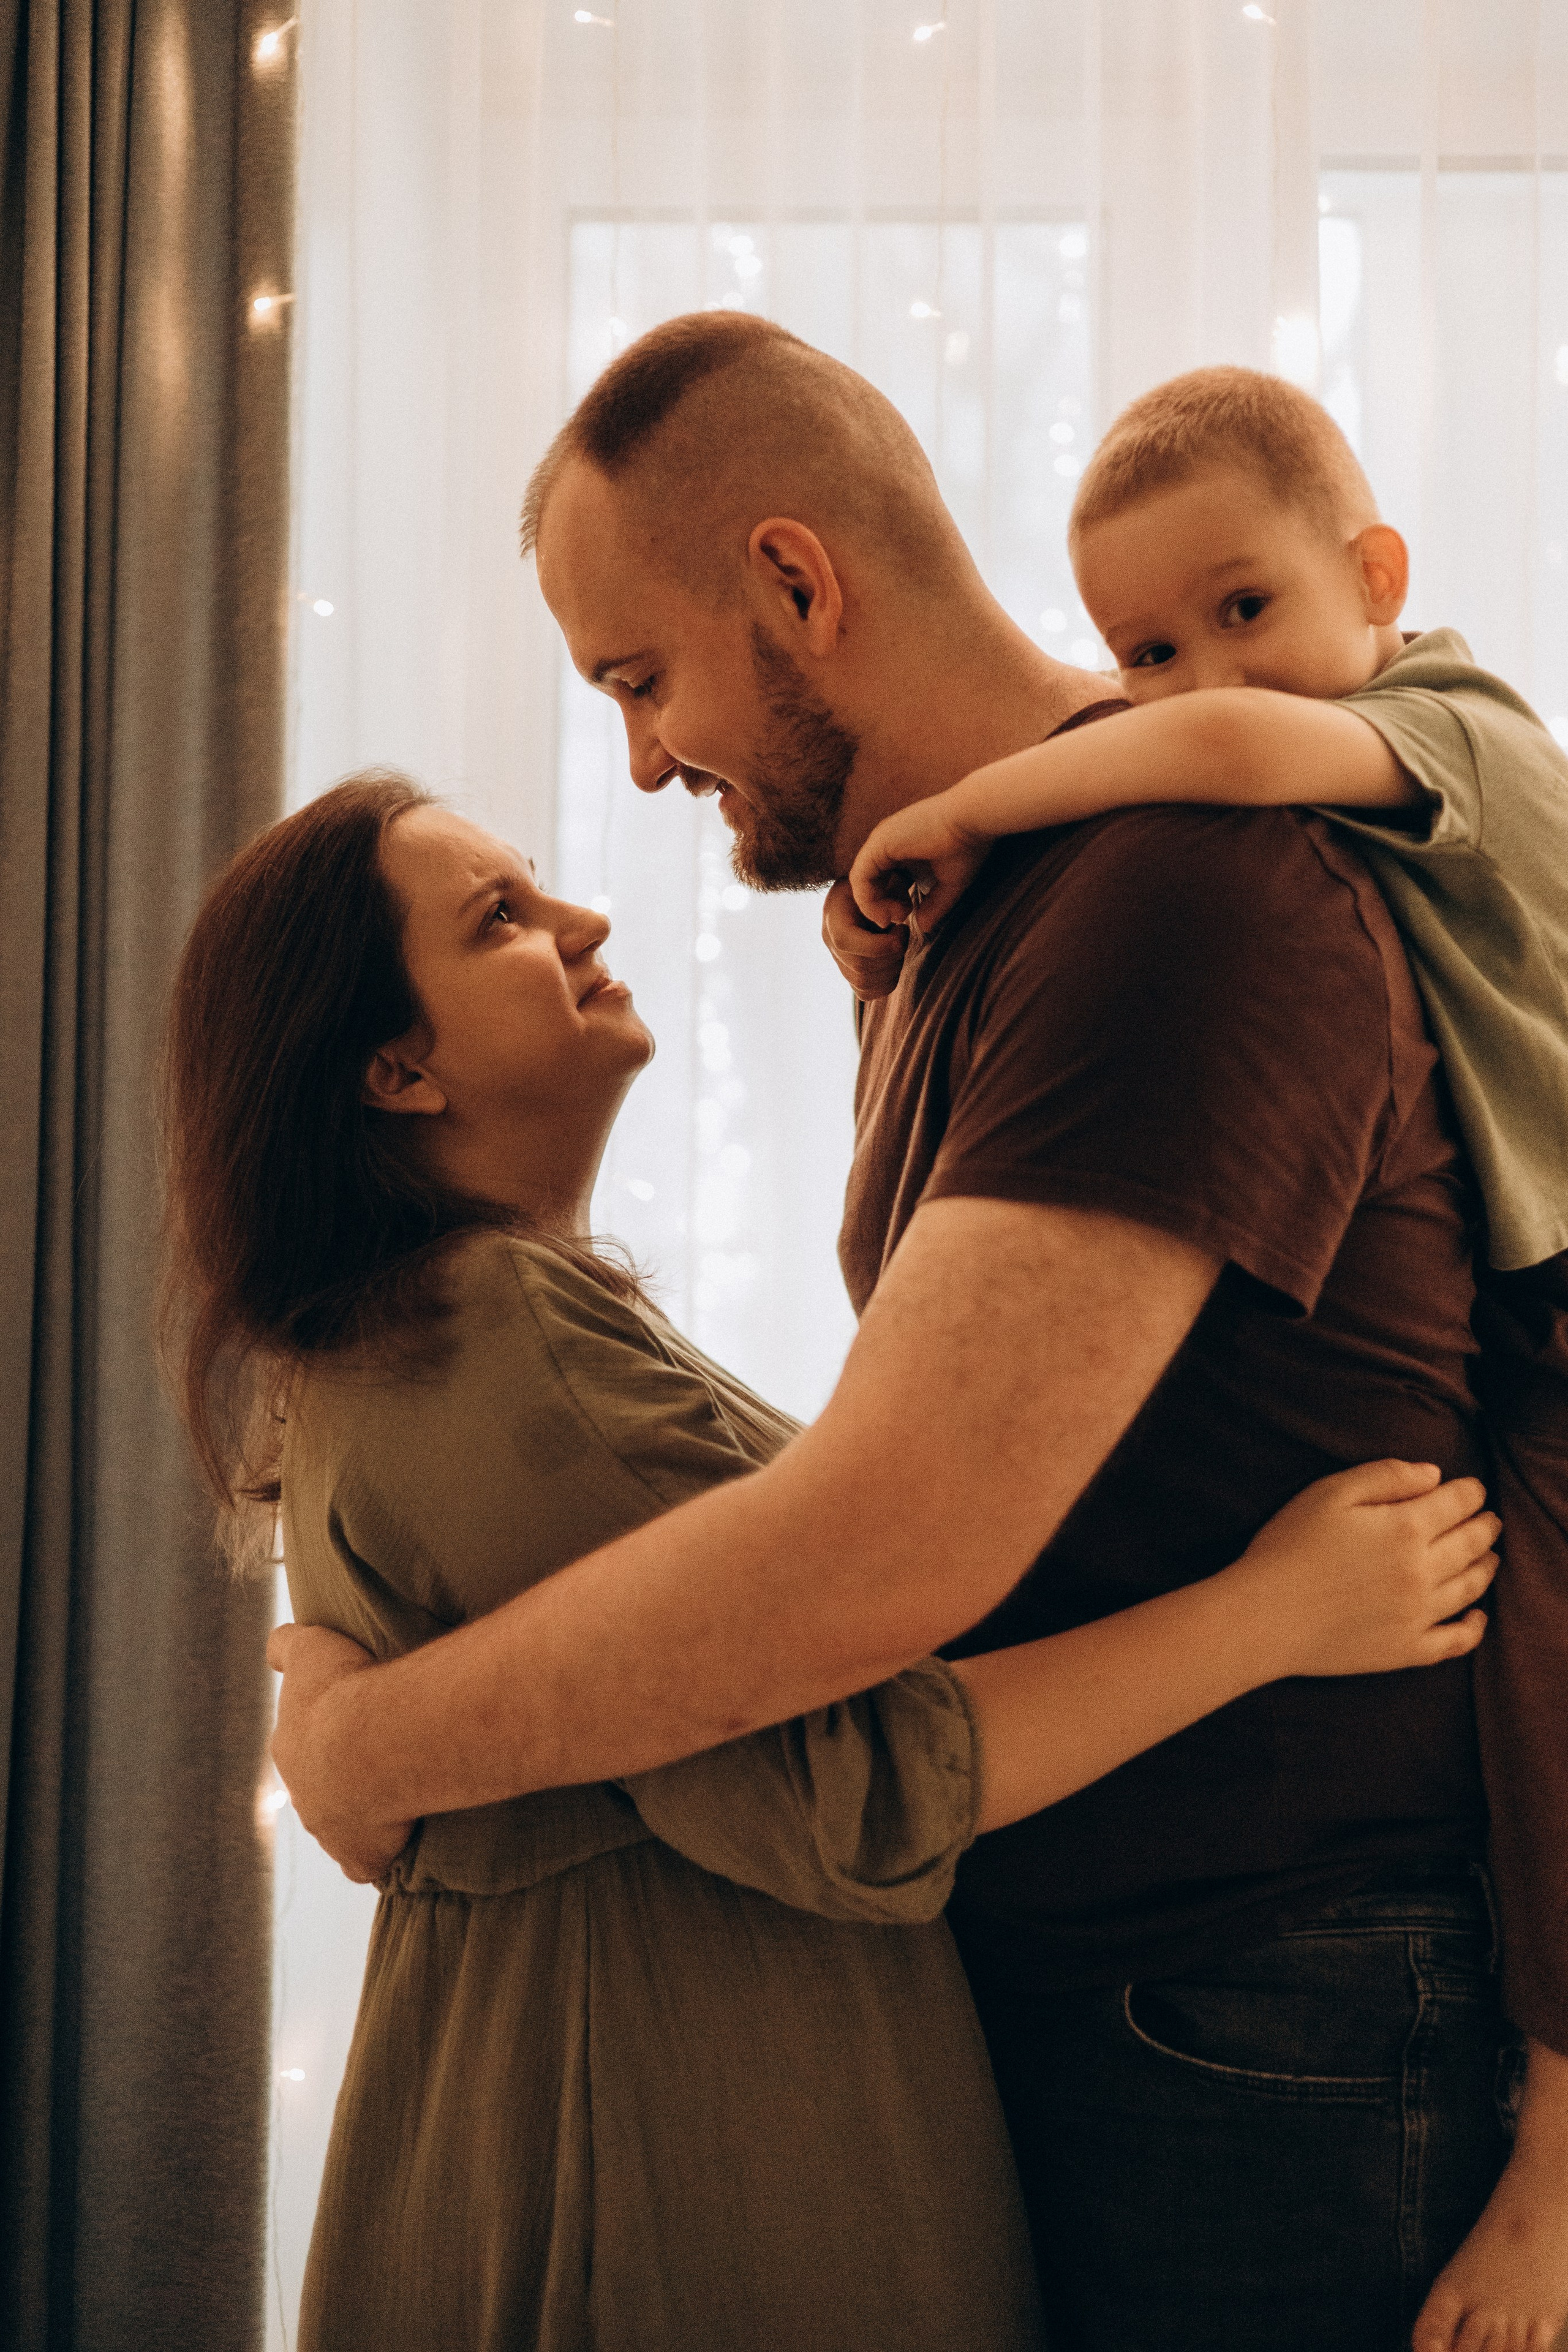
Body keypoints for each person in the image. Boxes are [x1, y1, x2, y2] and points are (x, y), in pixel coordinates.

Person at [266, 315, 1568, 2351]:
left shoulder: (1169, 894)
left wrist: (378, 1745)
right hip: (1156, 1991)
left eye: (640, 678)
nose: (641, 762)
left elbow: (888, 1548)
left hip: (1266, 2017)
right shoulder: (974, 909)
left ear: (797, 583)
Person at [165, 771, 1494, 2351]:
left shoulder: (440, 1334)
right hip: (676, 2148)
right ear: (395, 1069)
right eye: (499, 919)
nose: (582, 917)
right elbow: (846, 1780)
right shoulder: (487, 1330)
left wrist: (357, 1741)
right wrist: (1269, 1616)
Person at [846, 364, 1568, 1280]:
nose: (1209, 678)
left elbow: (1223, 736)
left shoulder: (1462, 730)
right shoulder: (1320, 722)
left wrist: (962, 815)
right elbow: (1128, 728)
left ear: (1374, 577)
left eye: (1246, 609)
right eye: (1154, 652)